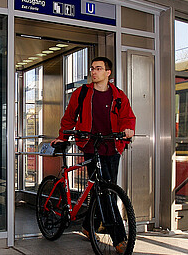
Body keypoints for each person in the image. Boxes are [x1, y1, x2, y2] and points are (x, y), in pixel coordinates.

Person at [53, 56, 135, 240]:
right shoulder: (82, 93)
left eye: (98, 68)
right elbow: (69, 118)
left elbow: (127, 117)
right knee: (105, 190)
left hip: (113, 146)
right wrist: (62, 137)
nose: (93, 72)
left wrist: (128, 130)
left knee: (104, 189)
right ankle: (119, 238)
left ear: (108, 72)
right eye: (92, 68)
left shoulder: (118, 95)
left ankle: (87, 226)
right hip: (91, 145)